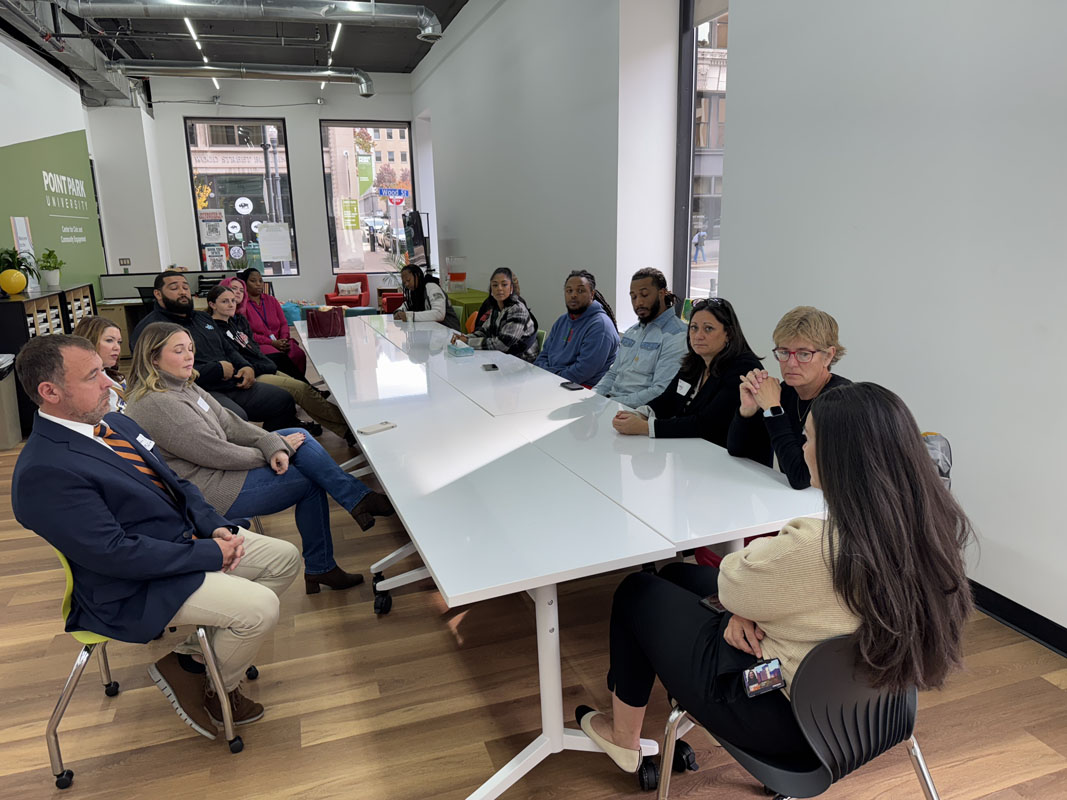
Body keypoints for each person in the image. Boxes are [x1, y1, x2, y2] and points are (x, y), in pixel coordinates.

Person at [575, 382, 974, 776]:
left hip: (791, 727)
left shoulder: (816, 543)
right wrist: (747, 608)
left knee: (637, 591)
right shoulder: (928, 532)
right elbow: (782, 596)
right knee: (679, 574)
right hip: (876, 713)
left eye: (808, 437)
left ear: (839, 457)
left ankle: (623, 737)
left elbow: (732, 581)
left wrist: (745, 606)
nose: (801, 447)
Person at [11, 334, 301, 738]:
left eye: (105, 371)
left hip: (182, 542)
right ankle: (218, 688)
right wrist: (208, 554)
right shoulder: (44, 472)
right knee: (259, 609)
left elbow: (177, 482)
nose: (110, 384)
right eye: (94, 376)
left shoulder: (114, 423)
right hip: (131, 585)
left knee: (285, 558)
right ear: (50, 392)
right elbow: (114, 555)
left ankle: (189, 662)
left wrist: (212, 525)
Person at [124, 323, 395, 595]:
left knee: (297, 434)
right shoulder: (157, 403)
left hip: (220, 472)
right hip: (208, 492)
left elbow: (229, 423)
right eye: (179, 351)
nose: (189, 356)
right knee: (310, 480)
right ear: (153, 358)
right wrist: (270, 454)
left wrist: (271, 444)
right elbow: (215, 453)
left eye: (191, 349)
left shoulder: (182, 385)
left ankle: (353, 508)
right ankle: (327, 554)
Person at [131, 270, 298, 430]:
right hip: (192, 390)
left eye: (185, 287)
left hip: (230, 382)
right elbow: (155, 373)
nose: (182, 292)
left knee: (282, 400)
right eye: (174, 288)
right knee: (236, 419)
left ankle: (272, 451)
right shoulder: (152, 329)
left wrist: (245, 366)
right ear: (158, 294)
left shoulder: (203, 318)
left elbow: (228, 348)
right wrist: (216, 370)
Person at [207, 284, 355, 443]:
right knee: (301, 390)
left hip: (262, 367)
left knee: (303, 388)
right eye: (224, 301)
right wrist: (260, 365)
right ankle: (349, 424)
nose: (231, 304)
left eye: (233, 300)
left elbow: (253, 348)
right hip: (253, 374)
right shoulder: (213, 329)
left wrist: (265, 363)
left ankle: (346, 429)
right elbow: (236, 358)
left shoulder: (236, 321)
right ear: (212, 304)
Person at [727, 306, 851, 489]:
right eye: (784, 352)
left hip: (841, 509)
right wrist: (747, 411)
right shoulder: (785, 392)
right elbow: (737, 450)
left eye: (803, 354)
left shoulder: (840, 401)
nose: (791, 364)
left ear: (828, 356)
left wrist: (773, 410)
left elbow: (801, 477)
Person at [611, 298, 763, 447]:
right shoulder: (696, 360)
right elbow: (668, 400)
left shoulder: (744, 368)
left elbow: (708, 424)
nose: (698, 335)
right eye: (694, 327)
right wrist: (641, 413)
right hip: (693, 451)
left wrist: (645, 427)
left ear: (728, 333)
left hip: (734, 461)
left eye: (708, 328)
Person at [594, 268, 688, 408]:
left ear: (662, 293)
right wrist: (594, 396)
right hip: (613, 404)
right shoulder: (633, 331)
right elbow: (613, 374)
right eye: (633, 297)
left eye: (644, 295)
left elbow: (660, 391)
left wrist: (612, 403)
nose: (638, 303)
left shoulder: (677, 335)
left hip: (638, 413)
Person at [534, 270, 620, 386]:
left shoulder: (601, 326)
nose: (573, 295)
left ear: (592, 294)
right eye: (569, 291)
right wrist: (546, 375)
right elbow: (543, 356)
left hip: (583, 390)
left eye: (580, 290)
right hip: (554, 381)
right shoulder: (562, 320)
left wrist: (549, 377)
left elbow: (582, 372)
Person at [449, 267, 539, 361]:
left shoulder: (518, 310)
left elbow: (502, 344)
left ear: (511, 288)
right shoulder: (496, 307)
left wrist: (467, 342)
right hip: (503, 357)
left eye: (504, 285)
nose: (499, 288)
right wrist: (464, 337)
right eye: (495, 285)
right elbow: (484, 331)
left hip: (523, 361)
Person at [237, 267, 308, 380]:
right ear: (245, 284)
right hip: (260, 344)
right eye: (253, 281)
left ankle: (301, 385)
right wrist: (273, 343)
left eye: (260, 280)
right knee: (279, 358)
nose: (258, 284)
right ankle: (297, 388)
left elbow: (284, 323)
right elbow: (248, 334)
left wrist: (283, 339)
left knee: (298, 354)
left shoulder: (271, 300)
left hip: (281, 340)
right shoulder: (242, 305)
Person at [72, 315, 127, 412]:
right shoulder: (86, 386)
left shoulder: (116, 377)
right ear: (89, 342)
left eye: (119, 342)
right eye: (109, 340)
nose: (117, 347)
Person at [394, 264, 462, 331]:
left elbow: (439, 314)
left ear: (418, 275)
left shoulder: (432, 287)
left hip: (448, 332)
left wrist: (411, 316)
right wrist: (398, 312)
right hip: (432, 331)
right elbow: (406, 305)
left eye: (408, 280)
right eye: (404, 283)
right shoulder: (414, 292)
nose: (407, 284)